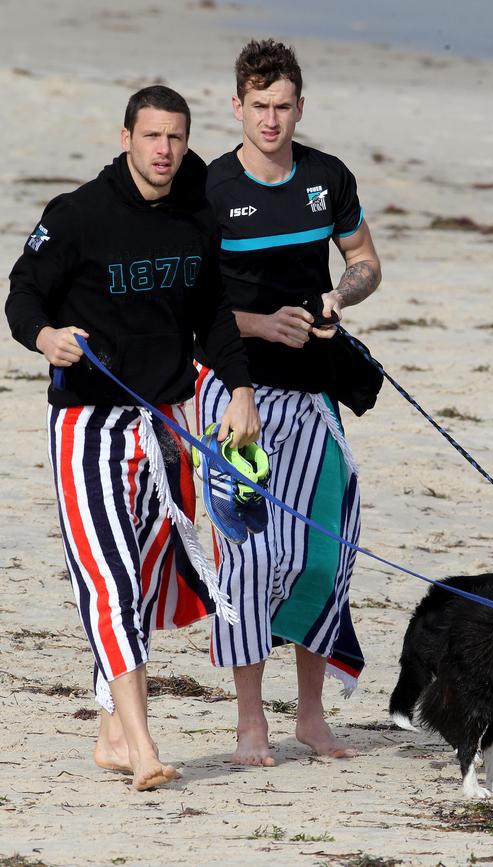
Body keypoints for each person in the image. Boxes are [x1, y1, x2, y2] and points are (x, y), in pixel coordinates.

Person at [5, 85, 260, 790]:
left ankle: (111, 733)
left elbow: (213, 311)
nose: (164, 151)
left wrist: (238, 387)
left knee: (145, 576)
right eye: (151, 136)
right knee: (109, 578)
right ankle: (145, 748)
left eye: (176, 137)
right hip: (89, 422)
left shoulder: (196, 213)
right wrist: (45, 335)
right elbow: (21, 290)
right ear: (126, 137)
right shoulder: (78, 214)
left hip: (169, 419)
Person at [194, 39, 382, 766]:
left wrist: (339, 294)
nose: (272, 120)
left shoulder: (327, 177)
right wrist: (256, 324)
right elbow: (190, 305)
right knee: (248, 556)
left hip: (315, 394)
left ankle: (309, 715)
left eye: (284, 107)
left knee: (322, 553)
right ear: (237, 106)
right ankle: (249, 723)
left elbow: (365, 261)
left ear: (300, 107)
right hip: (235, 393)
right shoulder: (209, 190)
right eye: (259, 106)